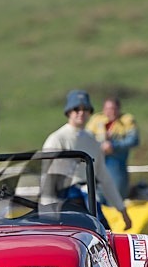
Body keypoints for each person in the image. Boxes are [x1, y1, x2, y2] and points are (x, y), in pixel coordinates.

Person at [42, 90, 132, 230]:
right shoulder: (56, 140)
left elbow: (104, 177)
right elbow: (48, 180)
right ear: (69, 112)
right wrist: (47, 213)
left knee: (104, 236)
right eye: (76, 109)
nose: (81, 113)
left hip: (90, 200)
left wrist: (122, 210)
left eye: (85, 109)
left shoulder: (93, 141)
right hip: (65, 204)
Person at [86, 97, 140, 199]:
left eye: (114, 108)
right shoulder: (96, 120)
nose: (111, 112)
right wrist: (99, 146)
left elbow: (134, 140)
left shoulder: (127, 120)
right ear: (103, 109)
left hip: (117, 163)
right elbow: (86, 138)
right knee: (96, 195)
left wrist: (114, 146)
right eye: (108, 109)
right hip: (97, 162)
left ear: (119, 109)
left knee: (117, 193)